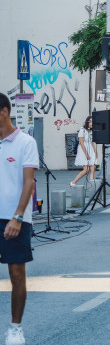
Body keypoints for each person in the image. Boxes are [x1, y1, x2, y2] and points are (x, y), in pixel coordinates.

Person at [0, 93, 38, 345]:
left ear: (4, 112)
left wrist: (17, 217)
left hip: (14, 219)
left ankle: (15, 328)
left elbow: (28, 183)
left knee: (16, 274)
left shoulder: (26, 142)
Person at [70, 116, 97, 187]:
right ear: (87, 122)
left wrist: (95, 151)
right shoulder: (82, 130)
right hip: (83, 150)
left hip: (90, 149)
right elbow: (81, 143)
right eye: (90, 121)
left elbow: (92, 142)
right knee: (86, 169)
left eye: (93, 122)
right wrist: (86, 154)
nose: (91, 123)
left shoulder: (91, 131)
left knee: (93, 168)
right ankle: (73, 182)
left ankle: (92, 186)